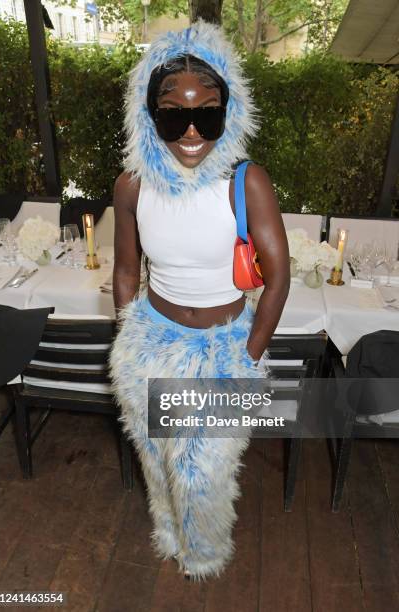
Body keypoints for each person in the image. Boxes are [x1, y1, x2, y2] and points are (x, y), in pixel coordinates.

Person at [110, 20, 290, 581]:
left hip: (223, 352)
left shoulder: (246, 182)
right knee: (158, 460)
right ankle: (168, 531)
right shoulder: (132, 186)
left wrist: (250, 355)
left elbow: (280, 277)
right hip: (151, 346)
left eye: (207, 114)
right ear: (150, 115)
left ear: (227, 113)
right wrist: (127, 334)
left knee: (204, 472)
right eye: (173, 114)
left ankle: (205, 555)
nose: (191, 130)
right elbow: (124, 269)